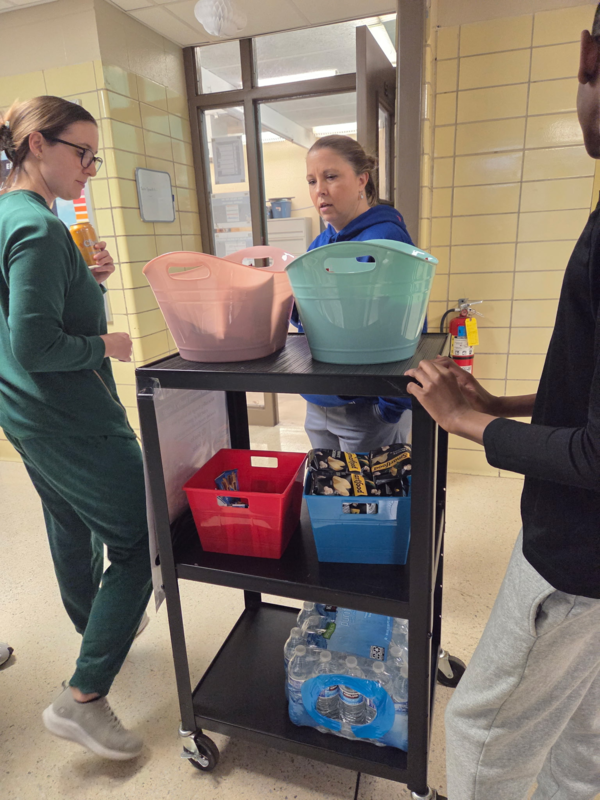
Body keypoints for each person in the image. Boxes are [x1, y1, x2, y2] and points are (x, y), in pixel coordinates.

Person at [404, 13, 600, 799]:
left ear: (589, 59)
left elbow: (594, 455)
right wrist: (506, 399)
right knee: (582, 731)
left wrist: (471, 423)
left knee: (485, 725)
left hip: (577, 554)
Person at [0, 96, 152, 760]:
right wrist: (107, 345)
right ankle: (84, 697)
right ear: (37, 144)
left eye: (95, 156)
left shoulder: (14, 217)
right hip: (72, 417)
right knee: (142, 539)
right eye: (81, 153)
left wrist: (86, 281)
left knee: (69, 525)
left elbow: (26, 320)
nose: (90, 167)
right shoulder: (36, 227)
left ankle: (99, 635)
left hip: (25, 412)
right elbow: (37, 344)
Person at [298, 135, 417, 452]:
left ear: (362, 179)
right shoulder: (319, 245)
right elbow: (313, 324)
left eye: (331, 176)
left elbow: (402, 326)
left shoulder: (386, 239)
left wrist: (388, 408)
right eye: (312, 181)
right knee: (329, 496)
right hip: (319, 402)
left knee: (366, 500)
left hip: (367, 409)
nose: (319, 190)